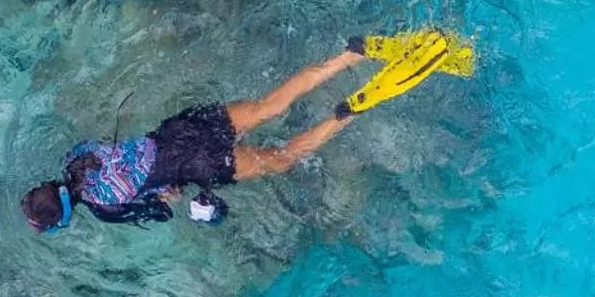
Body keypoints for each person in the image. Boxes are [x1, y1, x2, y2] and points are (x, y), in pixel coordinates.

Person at [22, 47, 371, 232]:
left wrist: (163, 193)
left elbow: (163, 210)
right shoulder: (76, 156)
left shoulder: (106, 210)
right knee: (270, 106)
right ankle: (348, 56)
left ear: (64, 218)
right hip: (183, 128)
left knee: (281, 159)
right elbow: (123, 151)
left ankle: (346, 114)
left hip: (198, 165)